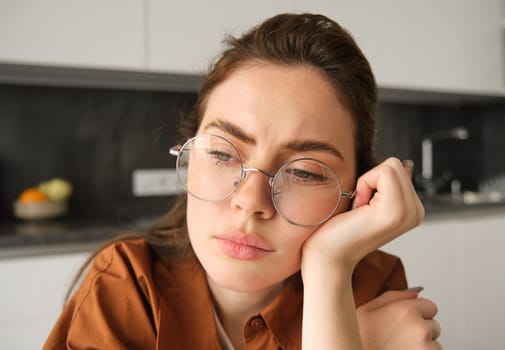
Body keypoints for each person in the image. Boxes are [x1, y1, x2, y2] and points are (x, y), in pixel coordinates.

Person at [44, 13, 440, 350]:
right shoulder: (125, 287)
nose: (251, 200)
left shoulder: (368, 283)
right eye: (222, 154)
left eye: (304, 172)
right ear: (188, 153)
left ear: (356, 192)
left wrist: (328, 267)